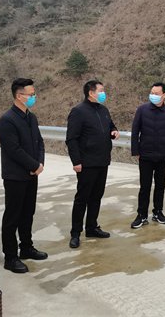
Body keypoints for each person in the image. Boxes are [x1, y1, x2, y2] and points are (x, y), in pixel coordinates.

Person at [0, 78, 47, 274]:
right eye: (31, 94)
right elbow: (13, 150)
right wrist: (33, 165)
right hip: (15, 176)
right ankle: (10, 257)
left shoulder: (31, 117)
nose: (34, 97)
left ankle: (26, 247)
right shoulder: (7, 120)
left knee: (28, 213)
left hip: (32, 174)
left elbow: (39, 142)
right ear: (19, 96)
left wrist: (39, 164)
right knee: (13, 216)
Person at [66, 80, 119, 249]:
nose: (103, 93)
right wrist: (76, 161)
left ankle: (92, 227)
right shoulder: (78, 111)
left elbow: (110, 126)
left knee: (96, 196)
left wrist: (114, 131)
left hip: (102, 161)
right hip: (86, 163)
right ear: (91, 92)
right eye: (101, 91)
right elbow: (71, 139)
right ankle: (75, 233)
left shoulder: (103, 110)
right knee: (82, 198)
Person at [130, 82, 165, 228]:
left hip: (163, 155)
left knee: (160, 186)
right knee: (144, 187)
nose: (153, 95)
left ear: (164, 95)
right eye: (152, 92)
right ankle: (142, 215)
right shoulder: (142, 110)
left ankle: (158, 212)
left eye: (157, 93)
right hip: (145, 154)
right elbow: (135, 131)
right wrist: (136, 151)